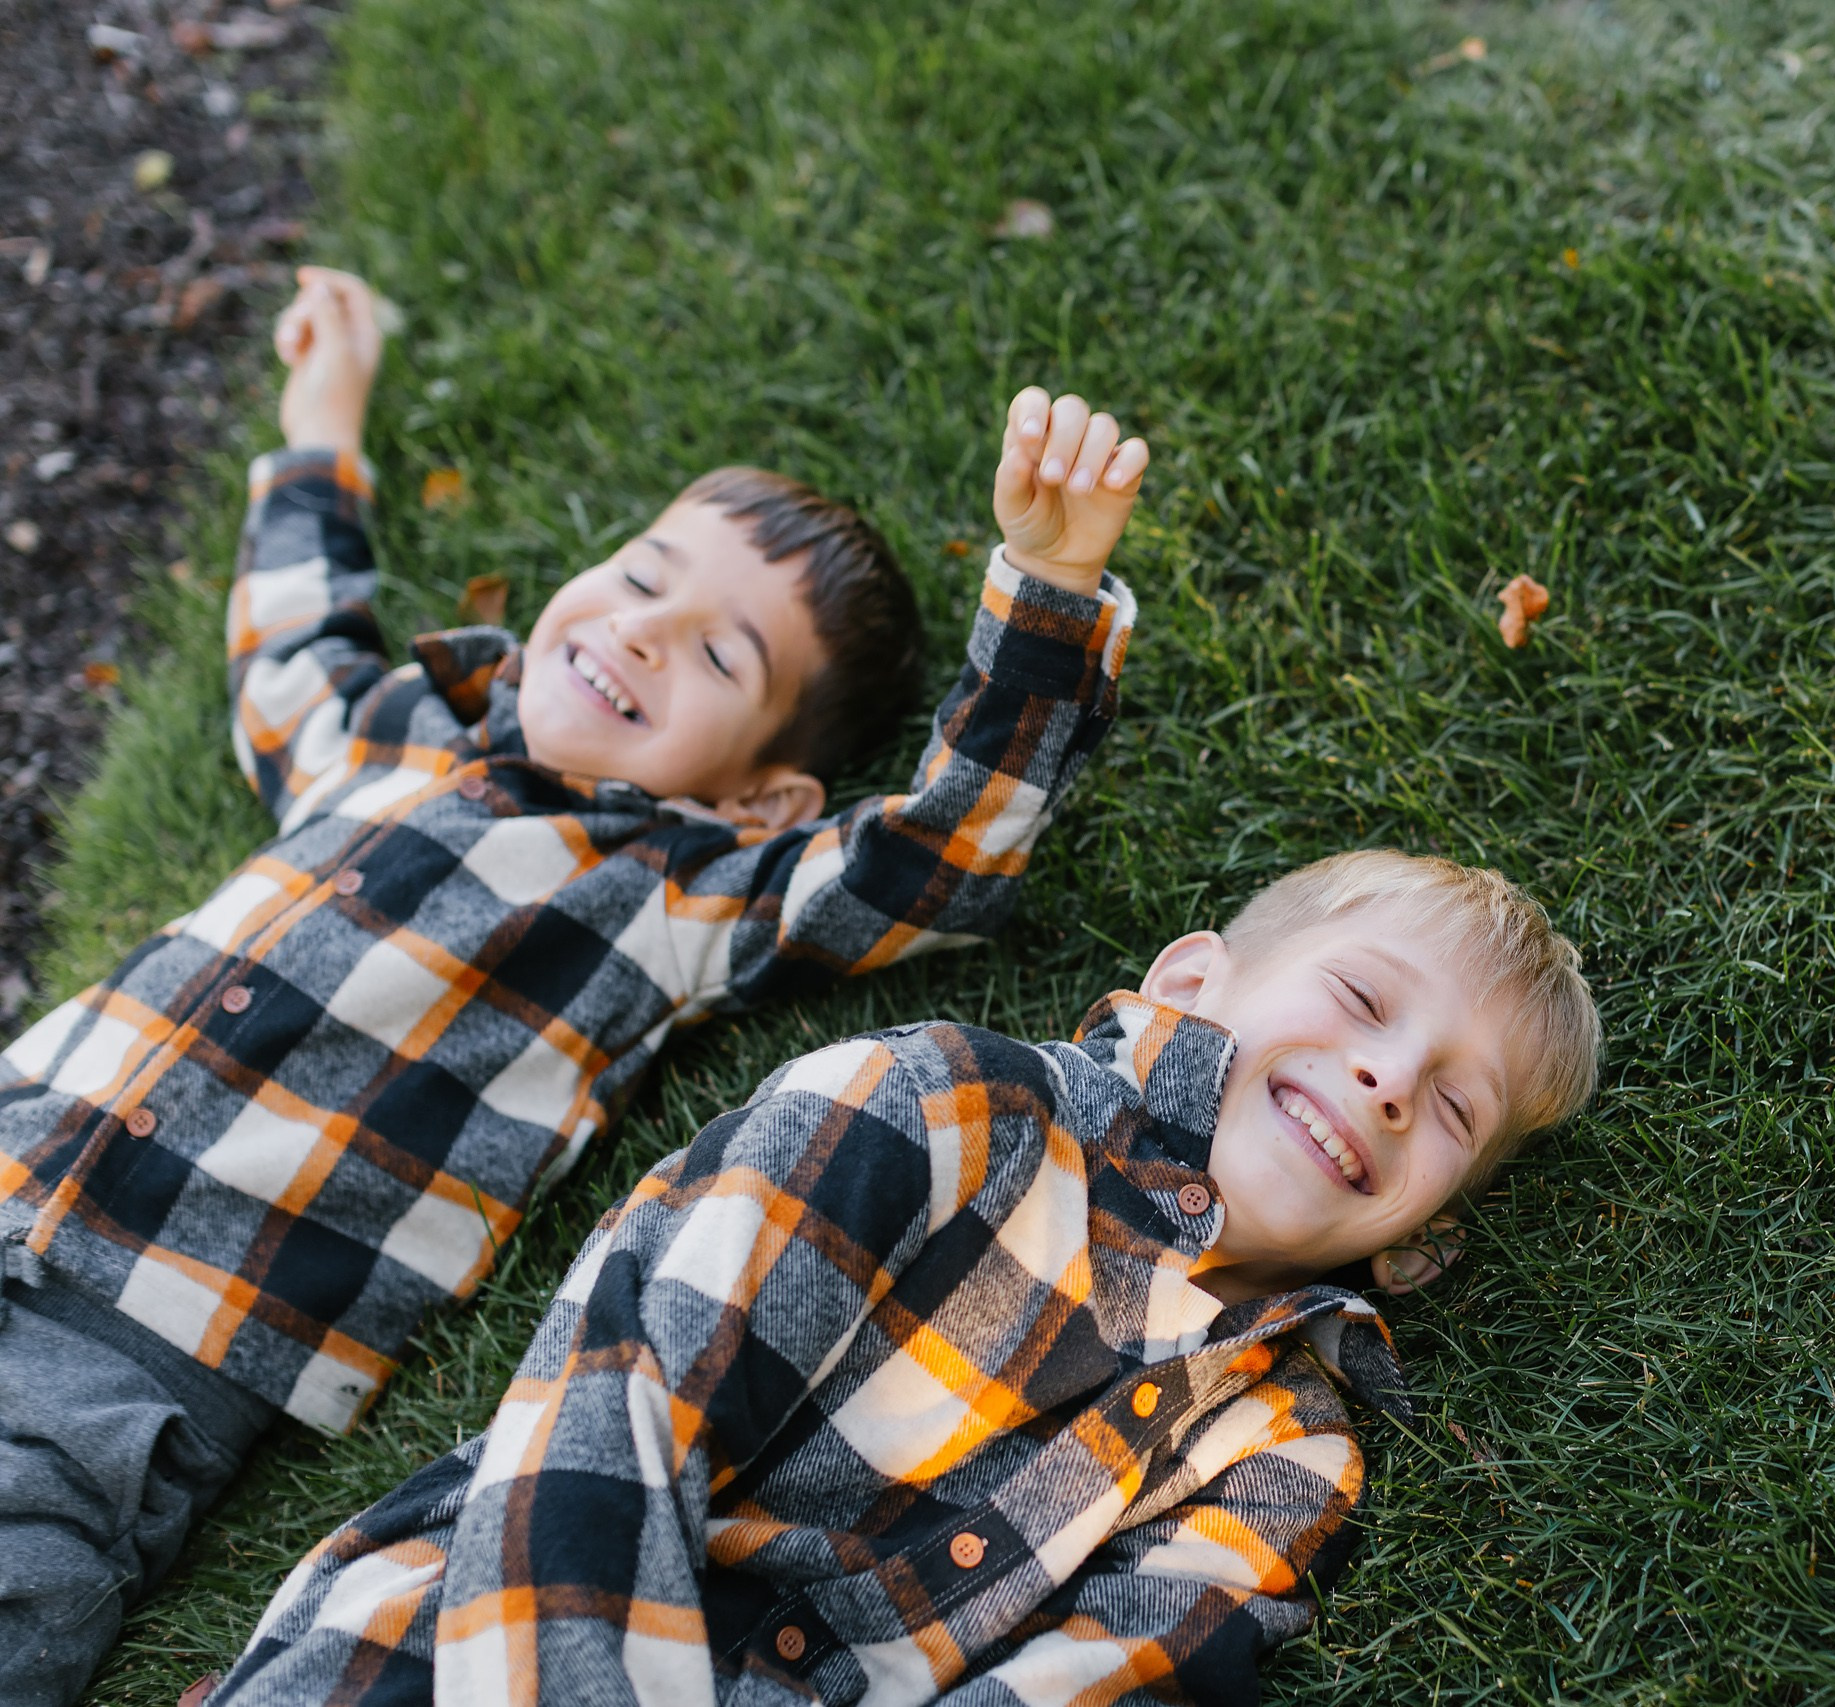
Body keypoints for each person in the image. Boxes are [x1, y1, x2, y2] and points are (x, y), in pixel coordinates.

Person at [0, 266, 1152, 1707]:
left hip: (138, 1351)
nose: (642, 630)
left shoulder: (674, 897)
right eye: (641, 575)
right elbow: (288, 639)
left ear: (760, 801)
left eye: (719, 653)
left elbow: (940, 858)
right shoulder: (390, 738)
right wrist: (323, 410)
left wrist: (1046, 593)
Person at [211, 849, 1600, 1707]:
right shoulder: (941, 1111)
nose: (1387, 1079)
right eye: (1363, 1002)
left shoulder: (1284, 1455)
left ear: (1418, 1248)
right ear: (1187, 980)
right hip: (458, 1646)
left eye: (1455, 1109)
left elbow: (1111, 1680)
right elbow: (622, 1403)